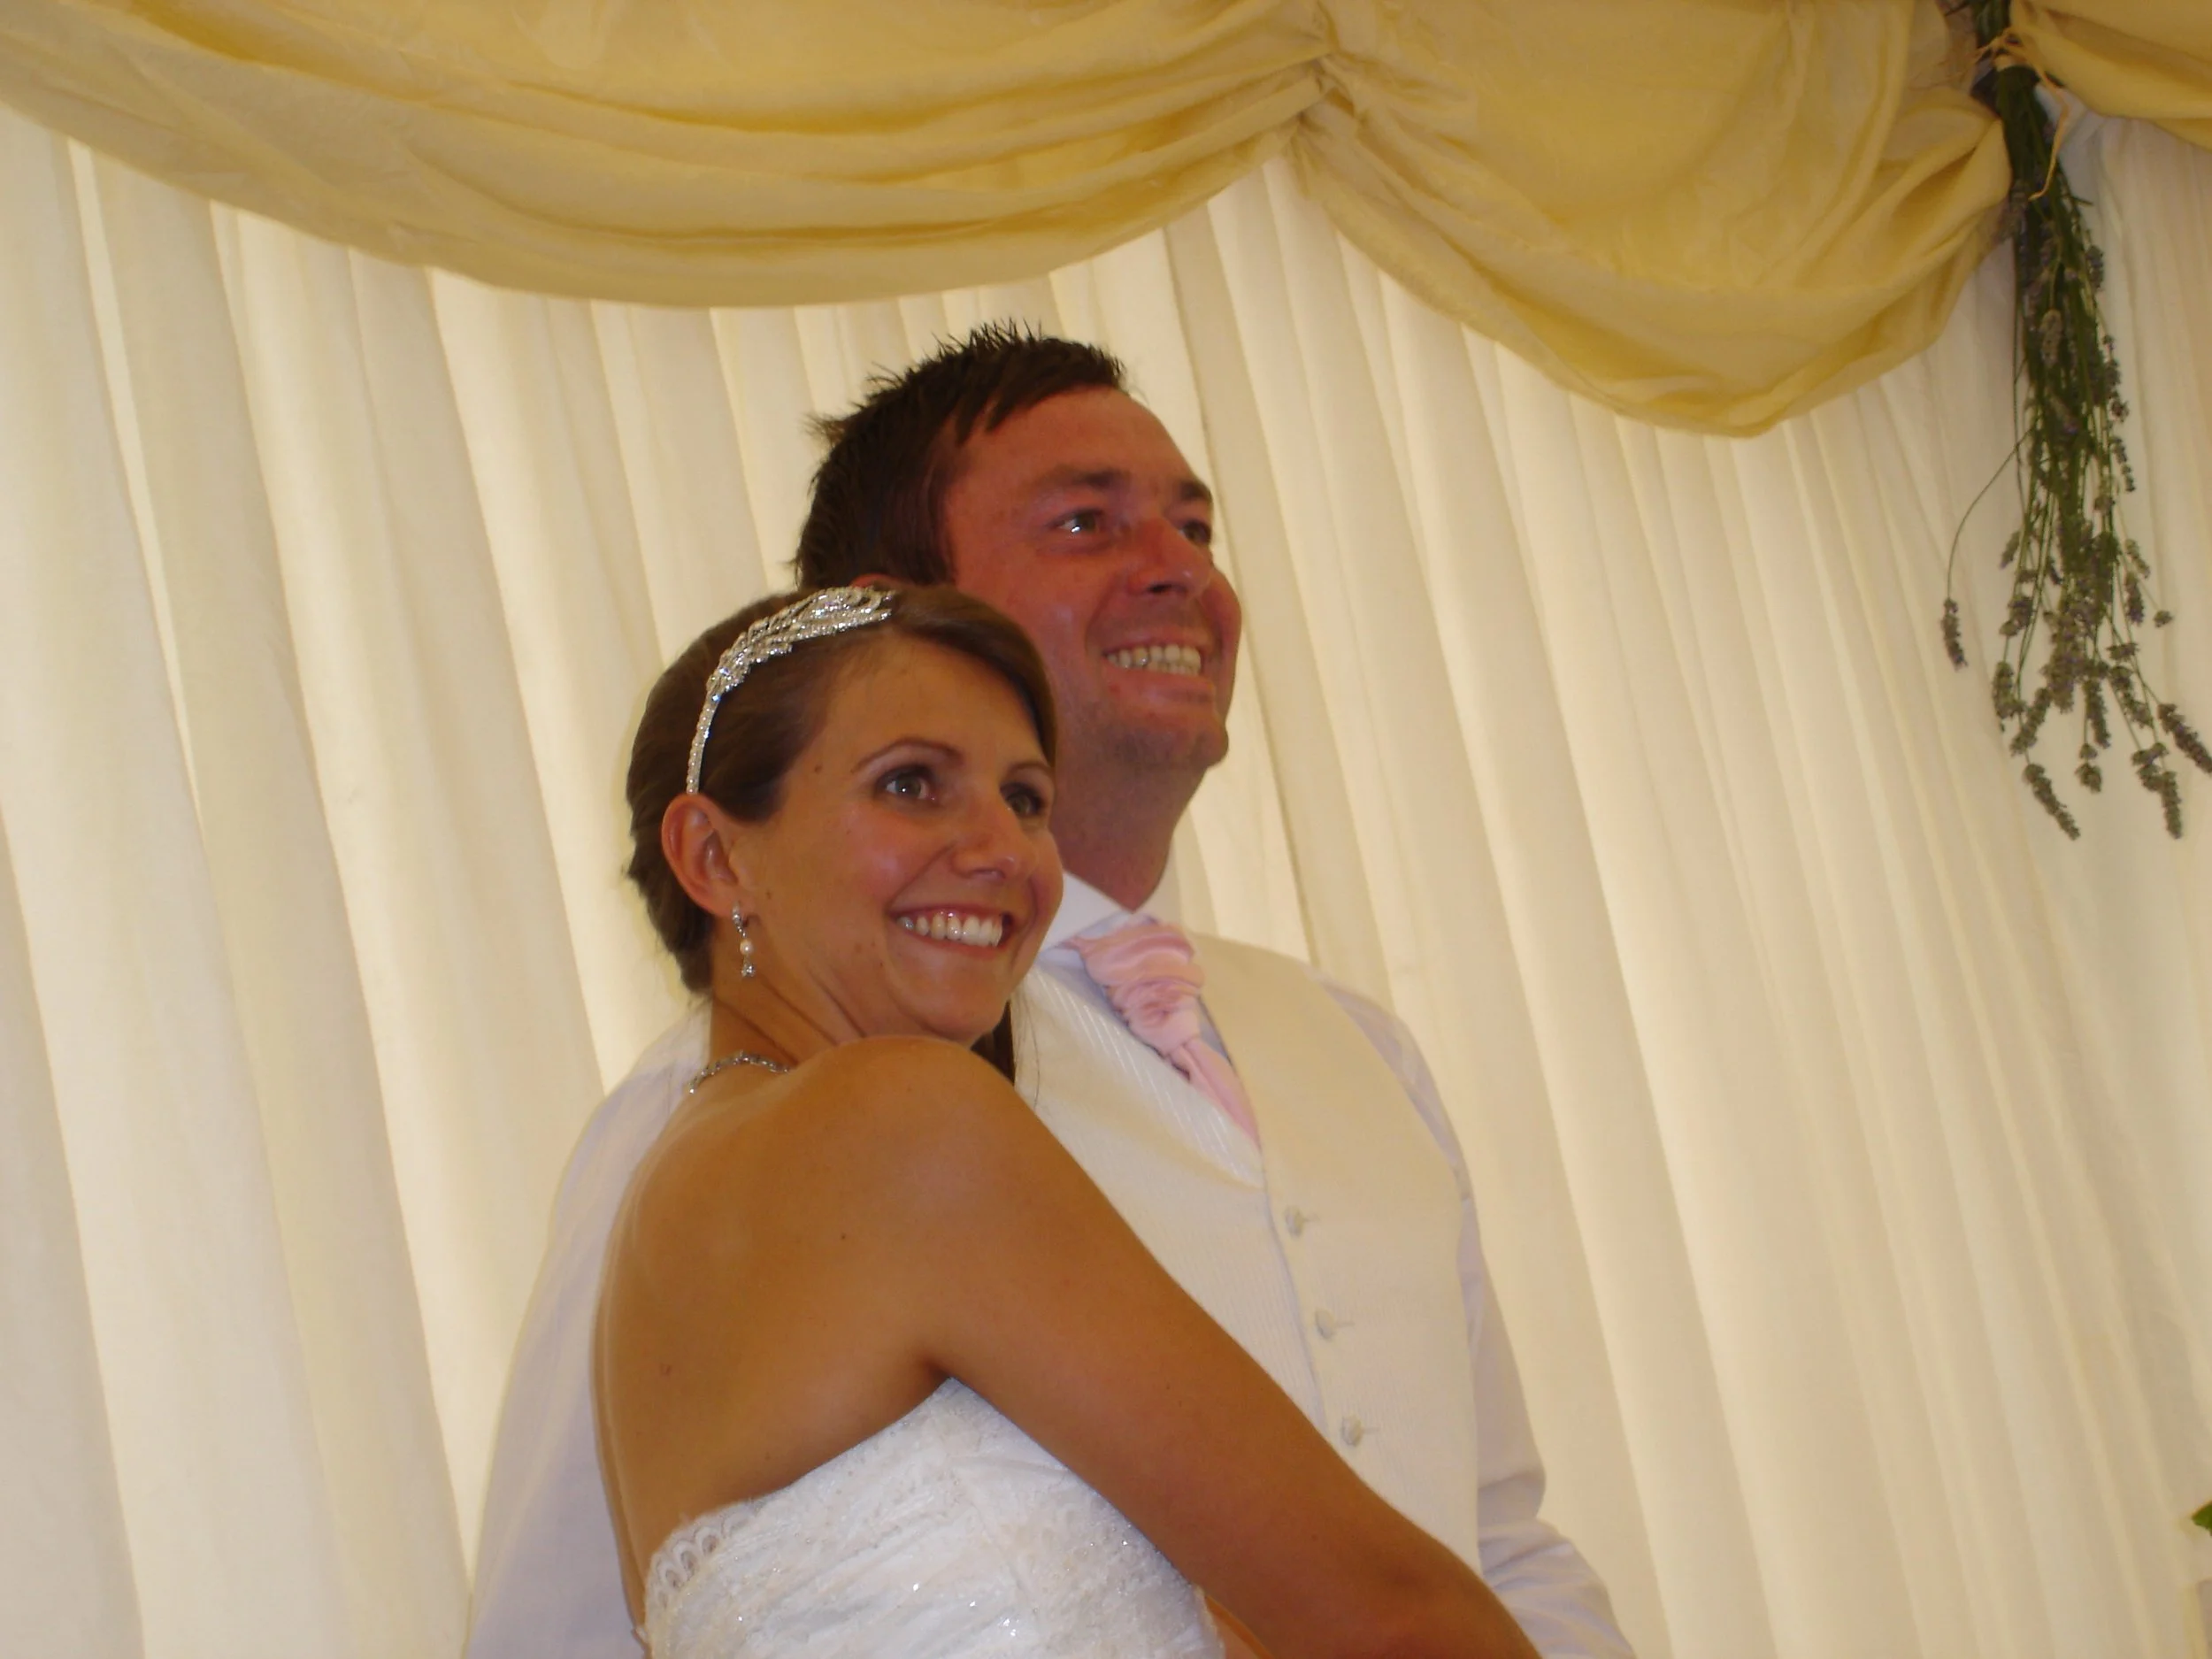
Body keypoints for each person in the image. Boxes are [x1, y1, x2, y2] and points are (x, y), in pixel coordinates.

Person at [466, 327, 1630, 1659]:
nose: (1179, 569)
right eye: (1088, 520)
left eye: (1197, 524)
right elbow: (558, 1618)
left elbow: (1496, 1538)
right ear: (890, 604)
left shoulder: (1358, 1045)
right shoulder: (731, 1106)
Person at [600, 580, 1541, 1655]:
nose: (1005, 849)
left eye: (1027, 799)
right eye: (912, 784)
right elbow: (1392, 1615)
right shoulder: (902, 1123)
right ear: (715, 858)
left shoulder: (662, 1212)